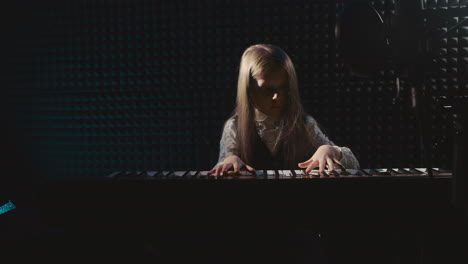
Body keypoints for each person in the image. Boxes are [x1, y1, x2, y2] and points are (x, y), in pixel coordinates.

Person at [208, 44, 359, 176]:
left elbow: (354, 164)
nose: (276, 97)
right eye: (267, 90)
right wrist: (229, 160)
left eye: (284, 88)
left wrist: (331, 151)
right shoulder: (234, 126)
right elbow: (222, 166)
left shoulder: (304, 124)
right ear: (248, 89)